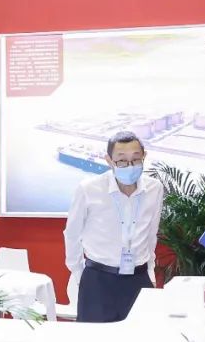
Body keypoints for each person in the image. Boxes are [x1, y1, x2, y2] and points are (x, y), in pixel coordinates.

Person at [64, 131, 165, 323]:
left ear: (144, 157)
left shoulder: (155, 188)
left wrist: (150, 271)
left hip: (139, 278)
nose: (130, 166)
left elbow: (151, 234)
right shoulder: (88, 189)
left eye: (135, 159)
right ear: (109, 161)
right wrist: (79, 274)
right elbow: (72, 234)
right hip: (98, 279)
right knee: (94, 340)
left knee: (141, 339)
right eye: (122, 161)